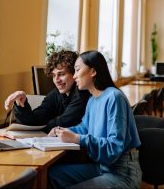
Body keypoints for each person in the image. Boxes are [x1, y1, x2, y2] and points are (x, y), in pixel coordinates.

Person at [47, 50, 141, 189]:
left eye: (77, 70)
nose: (74, 76)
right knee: (51, 175)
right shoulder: (92, 100)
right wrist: (61, 131)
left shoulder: (114, 97)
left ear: (93, 71)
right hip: (101, 167)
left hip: (122, 172)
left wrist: (78, 138)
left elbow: (114, 147)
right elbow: (84, 127)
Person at [4, 50, 90, 133]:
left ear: (74, 74)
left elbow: (65, 122)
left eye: (61, 74)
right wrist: (21, 103)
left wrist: (42, 127)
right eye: (53, 75)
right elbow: (35, 119)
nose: (56, 80)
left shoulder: (83, 93)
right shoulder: (55, 94)